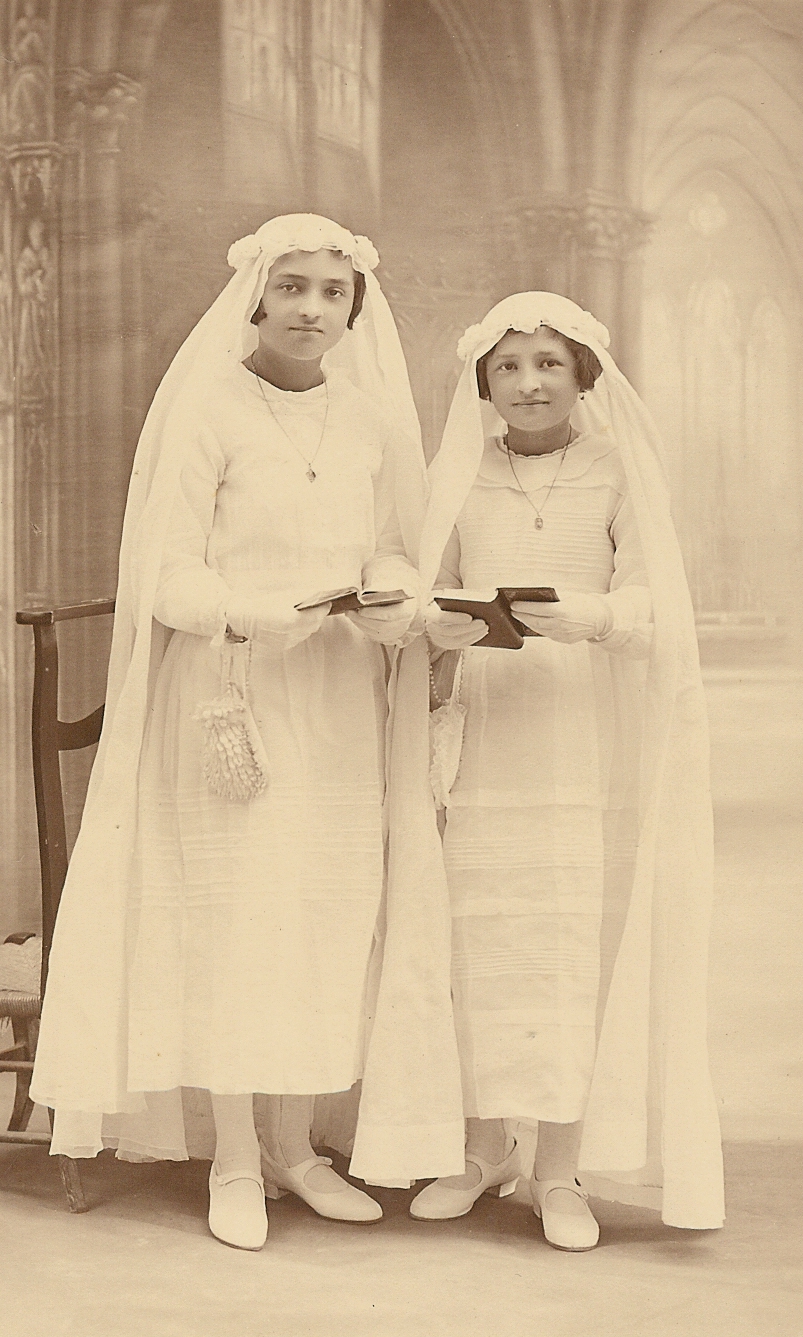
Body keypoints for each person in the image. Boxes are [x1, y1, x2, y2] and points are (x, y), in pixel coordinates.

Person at [30, 214, 428, 1251]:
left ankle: (297, 1145)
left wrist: (389, 594)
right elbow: (166, 573)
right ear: (255, 294)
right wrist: (253, 612)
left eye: (331, 292)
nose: (310, 309)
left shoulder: (370, 419)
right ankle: (236, 1156)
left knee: (323, 912)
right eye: (290, 287)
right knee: (239, 915)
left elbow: (392, 546)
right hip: (229, 693)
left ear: (354, 308)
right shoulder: (209, 408)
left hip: (337, 698)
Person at [350, 292, 724, 1248]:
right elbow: (419, 587)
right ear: (484, 382)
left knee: (569, 940)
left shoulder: (617, 469)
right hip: (486, 727)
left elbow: (657, 600)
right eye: (508, 367)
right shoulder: (456, 473)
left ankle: (558, 1167)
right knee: (477, 933)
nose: (528, 383)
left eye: (548, 363)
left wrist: (591, 616)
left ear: (582, 375)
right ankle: (482, 1149)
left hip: (583, 730)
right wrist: (435, 621)